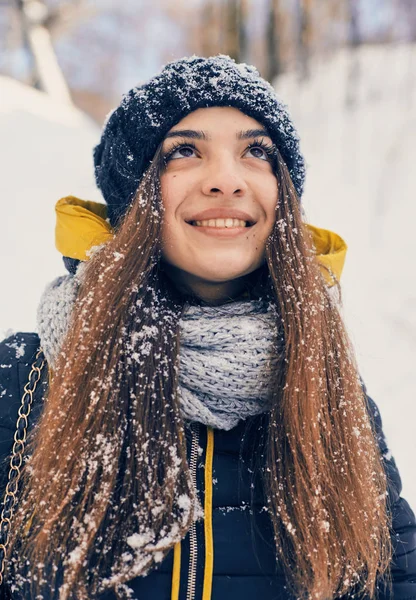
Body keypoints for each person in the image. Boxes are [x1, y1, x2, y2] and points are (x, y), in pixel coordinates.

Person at [0, 55, 415, 600]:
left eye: (257, 152)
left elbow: (393, 577)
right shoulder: (25, 377)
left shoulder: (329, 386)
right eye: (185, 151)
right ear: (133, 196)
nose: (226, 180)